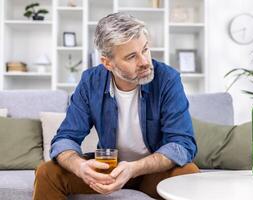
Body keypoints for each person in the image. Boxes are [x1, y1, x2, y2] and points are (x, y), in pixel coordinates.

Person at [33, 12, 199, 200]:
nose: (145, 62)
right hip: (107, 168)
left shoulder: (167, 79)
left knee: (188, 173)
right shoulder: (90, 82)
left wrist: (134, 168)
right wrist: (80, 167)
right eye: (131, 57)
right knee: (47, 172)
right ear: (107, 63)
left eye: (145, 50)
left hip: (152, 169)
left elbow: (182, 144)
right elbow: (65, 137)